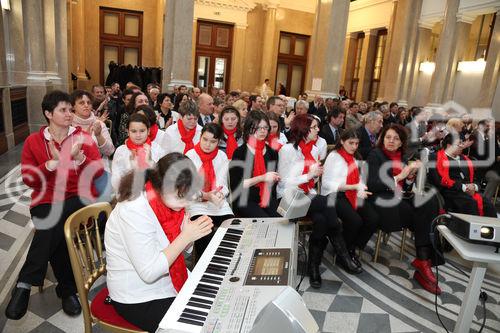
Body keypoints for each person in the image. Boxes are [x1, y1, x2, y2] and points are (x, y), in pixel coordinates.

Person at [6, 90, 104, 320]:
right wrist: (51, 163)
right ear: (48, 113)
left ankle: (25, 282)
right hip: (46, 200)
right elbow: (29, 179)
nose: (69, 114)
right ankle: (67, 289)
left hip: (78, 198)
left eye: (71, 109)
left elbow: (99, 171)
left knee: (52, 222)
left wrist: (80, 160)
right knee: (56, 225)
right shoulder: (33, 141)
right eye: (63, 110)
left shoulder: (82, 138)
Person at [105, 153, 213, 332]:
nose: (186, 203)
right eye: (181, 197)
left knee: (211, 306)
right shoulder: (134, 209)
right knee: (193, 327)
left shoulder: (167, 201)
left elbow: (175, 249)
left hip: (166, 280)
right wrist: (185, 236)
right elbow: (149, 272)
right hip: (136, 295)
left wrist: (186, 237)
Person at [278, 115, 361, 288]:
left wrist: (314, 177)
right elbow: (284, 182)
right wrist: (310, 175)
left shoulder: (315, 150)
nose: (318, 130)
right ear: (303, 129)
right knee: (327, 207)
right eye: (314, 127)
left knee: (323, 219)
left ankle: (313, 266)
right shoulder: (287, 150)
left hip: (308, 195)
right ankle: (343, 254)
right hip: (289, 197)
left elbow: (312, 183)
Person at [366, 124, 442, 294]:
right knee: (420, 216)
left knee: (430, 201)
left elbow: (404, 188)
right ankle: (424, 263)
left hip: (398, 198)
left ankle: (423, 261)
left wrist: (408, 178)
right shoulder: (375, 154)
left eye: (396, 138)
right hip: (379, 200)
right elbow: (372, 184)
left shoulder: (400, 157)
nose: (391, 141)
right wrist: (399, 176)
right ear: (382, 139)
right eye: (388, 137)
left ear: (401, 143)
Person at [321, 129, 379, 269]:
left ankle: (351, 247)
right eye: (351, 143)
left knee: (373, 219)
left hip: (352, 192)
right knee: (355, 221)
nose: (354, 146)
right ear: (342, 141)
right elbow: (327, 183)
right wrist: (353, 186)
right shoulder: (334, 156)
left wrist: (361, 189)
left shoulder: (355, 157)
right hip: (334, 194)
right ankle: (344, 254)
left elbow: (360, 179)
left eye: (357, 143)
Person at [186, 123, 234, 256]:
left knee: (231, 229)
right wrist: (207, 195)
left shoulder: (221, 156)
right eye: (205, 139)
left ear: (218, 142)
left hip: (216, 202)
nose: (208, 144)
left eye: (213, 141)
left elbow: (223, 185)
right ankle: (202, 266)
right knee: (206, 232)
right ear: (200, 137)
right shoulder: (190, 155)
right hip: (197, 203)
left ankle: (227, 262)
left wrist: (219, 194)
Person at [429, 133, 497, 217]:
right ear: (449, 145)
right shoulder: (436, 158)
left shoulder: (465, 159)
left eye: (462, 143)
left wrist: (474, 186)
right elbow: (438, 180)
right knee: (471, 204)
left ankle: (490, 229)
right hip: (450, 192)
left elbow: (476, 178)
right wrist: (463, 187)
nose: (461, 146)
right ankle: (472, 230)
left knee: (489, 205)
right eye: (459, 144)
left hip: (469, 191)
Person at [229, 111, 280, 217]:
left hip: (266, 196)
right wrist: (262, 178)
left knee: (282, 220)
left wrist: (275, 178)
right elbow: (237, 185)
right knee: (264, 220)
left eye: (265, 128)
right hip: (244, 199)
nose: (262, 131)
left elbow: (273, 186)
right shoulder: (240, 152)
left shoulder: (272, 152)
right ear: (249, 129)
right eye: (258, 128)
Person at [111, 113, 166, 191]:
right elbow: (115, 182)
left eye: (142, 131)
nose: (138, 135)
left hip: (153, 194)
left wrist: (150, 162)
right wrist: (132, 168)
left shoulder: (156, 148)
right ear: (127, 131)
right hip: (128, 195)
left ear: (148, 131)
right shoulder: (121, 151)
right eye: (133, 131)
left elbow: (163, 177)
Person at [70, 90, 115, 162]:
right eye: (81, 103)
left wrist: (98, 135)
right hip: (74, 168)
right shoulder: (68, 124)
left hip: (99, 167)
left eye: (89, 103)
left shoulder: (99, 124)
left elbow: (110, 151)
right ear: (73, 107)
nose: (86, 105)